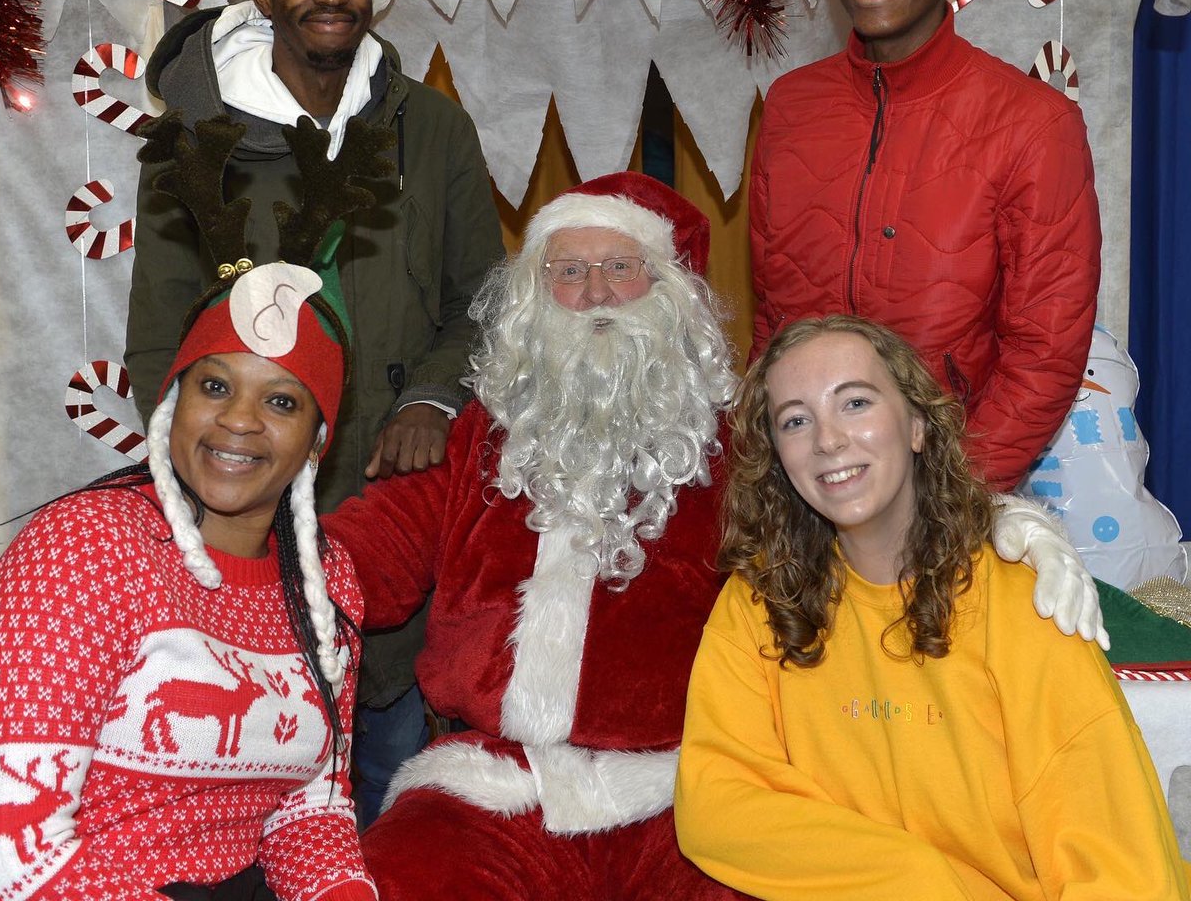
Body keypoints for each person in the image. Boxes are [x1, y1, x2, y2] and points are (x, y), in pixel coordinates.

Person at [322, 173, 1103, 900]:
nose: (595, 291)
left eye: (621, 267)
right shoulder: (476, 446)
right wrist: (245, 568)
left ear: (668, 292)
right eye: (567, 271)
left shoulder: (742, 452)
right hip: (490, 790)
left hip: (688, 795)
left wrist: (1005, 526)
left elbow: (870, 506)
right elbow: (367, 550)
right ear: (533, 300)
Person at [125, 0, 505, 821]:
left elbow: (485, 301)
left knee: (385, 778)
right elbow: (158, 337)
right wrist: (212, 483)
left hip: (391, 505)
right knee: (246, 770)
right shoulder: (194, 140)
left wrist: (433, 400)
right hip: (244, 505)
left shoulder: (433, 128)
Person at [674, 315, 1190, 900]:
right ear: (777, 458)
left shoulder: (1023, 597)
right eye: (796, 420)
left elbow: (1118, 859)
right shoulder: (759, 601)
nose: (828, 440)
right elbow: (716, 803)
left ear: (917, 424)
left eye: (856, 403)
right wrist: (916, 880)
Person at [0, 127, 376, 899]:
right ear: (172, 401)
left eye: (280, 401)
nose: (238, 420)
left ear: (317, 440)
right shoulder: (86, 549)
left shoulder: (328, 583)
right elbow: (14, 845)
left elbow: (312, 809)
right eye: (214, 386)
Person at [749, 0, 1101, 493]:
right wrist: (779, 478)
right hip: (806, 492)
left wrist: (941, 504)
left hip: (950, 496)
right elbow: (773, 329)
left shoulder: (1034, 125)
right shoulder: (792, 107)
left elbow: (1045, 353)